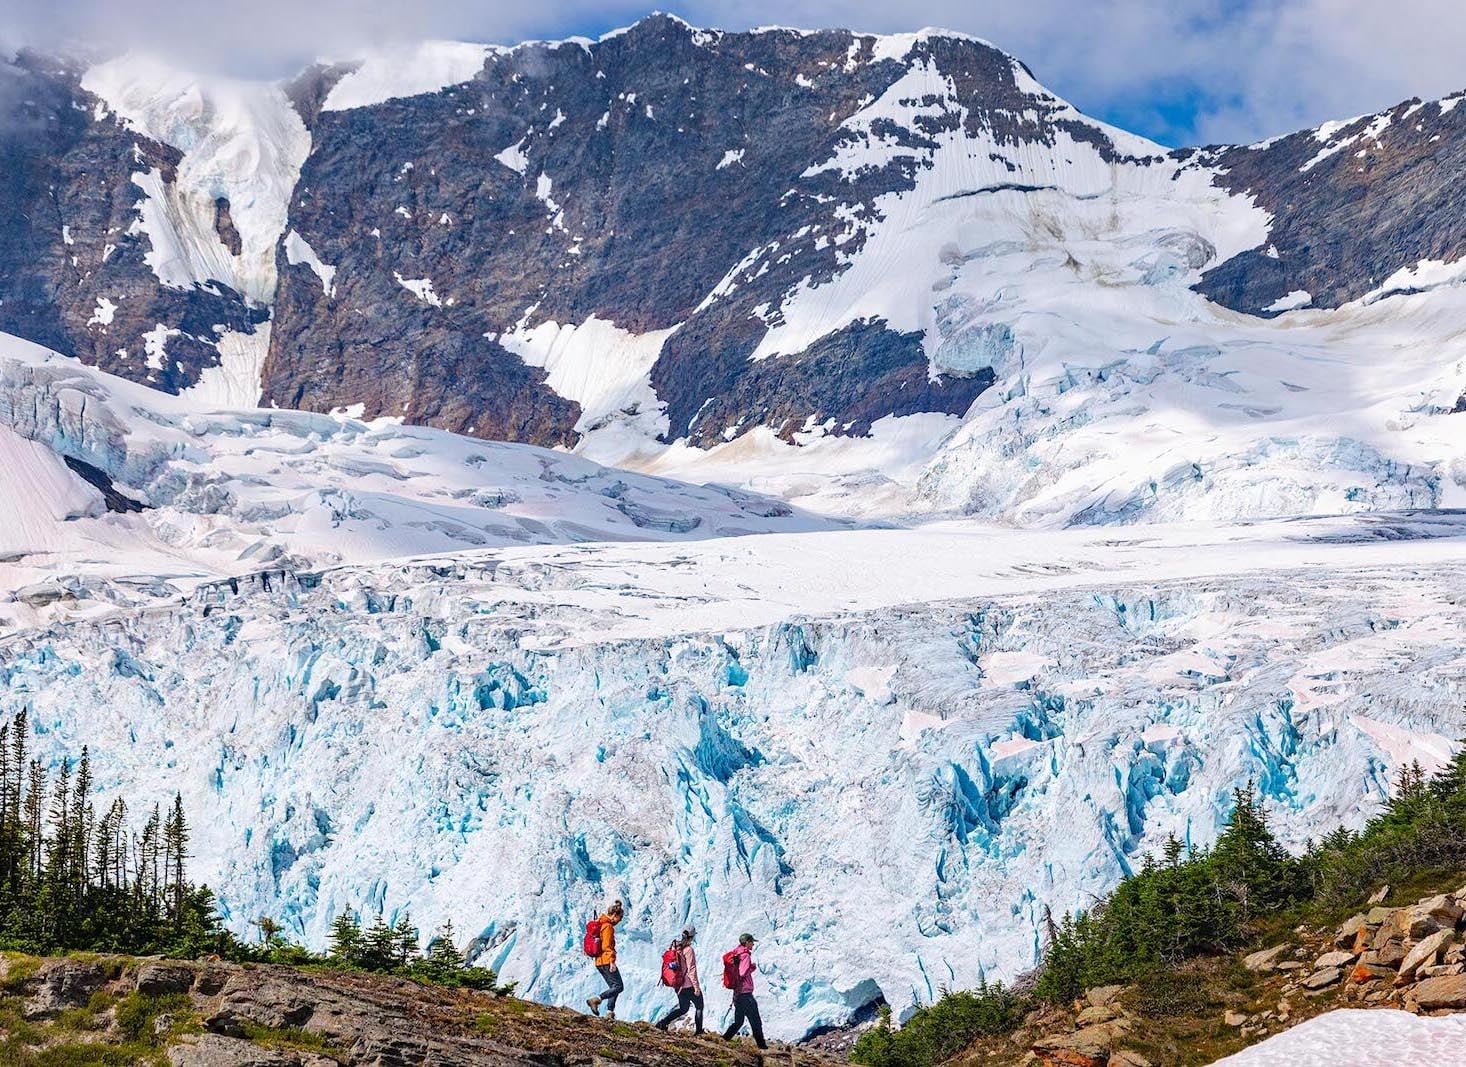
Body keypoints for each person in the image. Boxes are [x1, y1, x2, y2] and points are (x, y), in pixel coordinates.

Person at [721, 932, 767, 1049]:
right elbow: (742, 972)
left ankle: (724, 1039)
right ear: (746, 943)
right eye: (751, 942)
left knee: (739, 1021)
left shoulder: (736, 952)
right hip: (745, 994)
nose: (753, 944)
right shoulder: (745, 955)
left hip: (738, 993)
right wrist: (751, 967)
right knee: (756, 1021)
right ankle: (762, 1047)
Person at [656, 927, 704, 1034]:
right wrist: (696, 987)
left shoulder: (676, 947)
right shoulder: (689, 950)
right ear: (691, 937)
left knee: (683, 1008)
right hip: (688, 985)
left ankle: (663, 1022)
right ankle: (699, 1032)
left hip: (678, 985)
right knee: (700, 1006)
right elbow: (691, 970)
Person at [586, 899, 625, 1019]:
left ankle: (609, 1012)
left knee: (614, 987)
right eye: (620, 918)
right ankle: (596, 999)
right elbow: (607, 946)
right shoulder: (607, 926)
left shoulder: (601, 924)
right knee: (619, 987)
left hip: (600, 961)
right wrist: (612, 961)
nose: (620, 921)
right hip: (606, 961)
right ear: (614, 915)